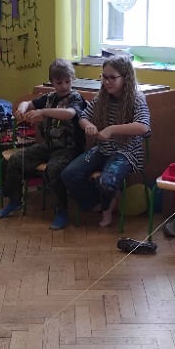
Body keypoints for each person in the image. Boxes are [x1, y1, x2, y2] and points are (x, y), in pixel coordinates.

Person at [61, 55, 151, 228]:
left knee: (106, 181)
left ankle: (107, 206)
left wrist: (112, 129)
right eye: (104, 77)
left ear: (125, 78)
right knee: (69, 174)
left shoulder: (136, 98)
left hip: (126, 154)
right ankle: (100, 203)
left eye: (112, 78)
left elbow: (143, 127)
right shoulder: (101, 98)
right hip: (102, 150)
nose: (107, 82)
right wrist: (88, 126)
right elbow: (83, 117)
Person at [0, 59, 86, 230]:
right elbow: (28, 103)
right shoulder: (49, 97)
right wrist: (22, 109)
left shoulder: (75, 98)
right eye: (59, 82)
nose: (64, 86)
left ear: (72, 80)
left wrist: (43, 112)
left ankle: (61, 210)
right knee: (16, 160)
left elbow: (69, 114)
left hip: (69, 149)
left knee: (54, 169)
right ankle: (14, 200)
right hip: (49, 146)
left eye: (67, 81)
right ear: (52, 82)